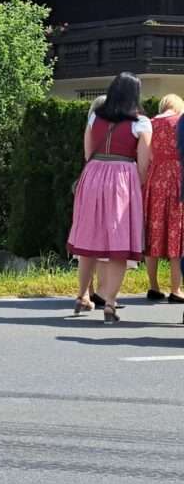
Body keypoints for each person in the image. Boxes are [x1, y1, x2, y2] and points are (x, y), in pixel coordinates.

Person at [67, 72, 151, 323]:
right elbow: (144, 164)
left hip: (92, 175)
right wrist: (137, 183)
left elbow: (87, 152)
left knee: (89, 237)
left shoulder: (95, 117)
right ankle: (111, 303)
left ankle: (82, 295)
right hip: (123, 176)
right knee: (118, 242)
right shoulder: (141, 123)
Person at [144, 93, 184, 301]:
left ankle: (153, 286)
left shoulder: (150, 123)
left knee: (154, 232)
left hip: (156, 178)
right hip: (177, 176)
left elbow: (147, 153)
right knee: (177, 234)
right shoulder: (179, 121)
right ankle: (176, 289)